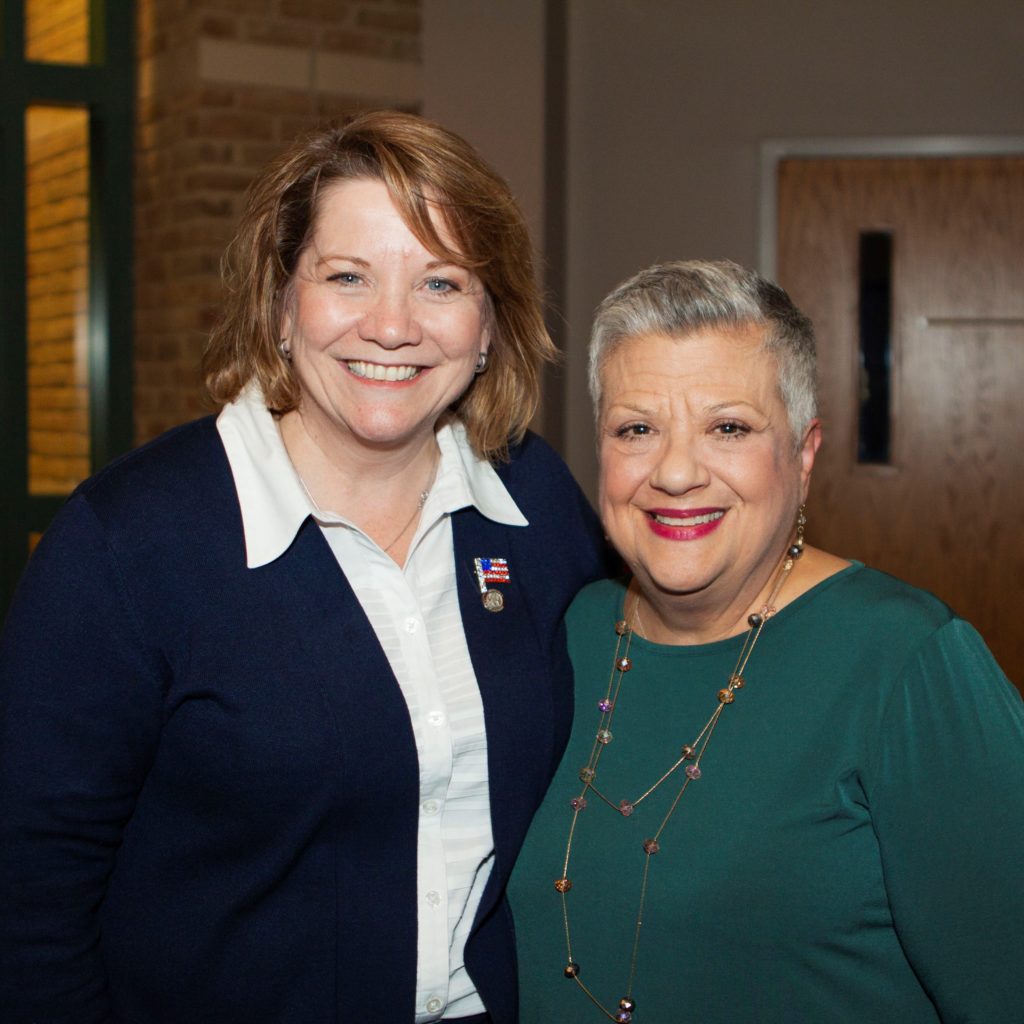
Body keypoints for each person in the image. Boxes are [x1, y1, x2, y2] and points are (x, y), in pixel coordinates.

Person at [0, 111, 607, 1024]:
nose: (392, 325)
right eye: (347, 277)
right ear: (283, 304)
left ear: (490, 325)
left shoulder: (539, 508)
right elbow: (30, 902)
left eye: (440, 282)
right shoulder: (126, 543)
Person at [510, 259, 1024, 1023]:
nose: (676, 472)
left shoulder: (909, 662)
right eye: (637, 429)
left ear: (805, 453)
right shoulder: (568, 633)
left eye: (729, 428)